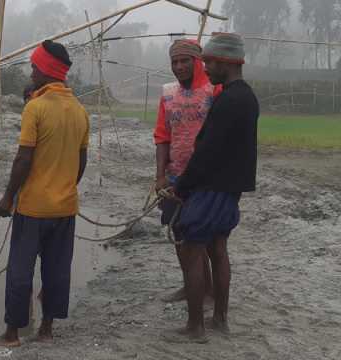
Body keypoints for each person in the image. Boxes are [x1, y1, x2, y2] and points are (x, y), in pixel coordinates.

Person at [0, 40, 89, 347]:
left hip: (33, 209)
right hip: (65, 208)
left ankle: (11, 334)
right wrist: (65, 187)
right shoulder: (79, 110)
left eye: (35, 67)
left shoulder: (35, 107)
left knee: (20, 271)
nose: (32, 72)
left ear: (47, 70)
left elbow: (23, 158)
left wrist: (8, 198)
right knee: (57, 270)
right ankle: (46, 329)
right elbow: (81, 160)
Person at [165, 33, 258, 343]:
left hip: (210, 188)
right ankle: (219, 319)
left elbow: (206, 151)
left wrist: (183, 185)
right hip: (230, 189)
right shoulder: (246, 97)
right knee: (218, 250)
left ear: (224, 62)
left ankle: (195, 327)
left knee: (192, 251)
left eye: (208, 61)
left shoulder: (227, 100)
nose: (206, 67)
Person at [153, 39, 221, 303]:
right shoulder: (168, 94)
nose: (179, 67)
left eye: (185, 61)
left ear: (198, 62)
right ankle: (191, 286)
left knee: (206, 239)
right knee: (180, 234)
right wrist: (160, 176)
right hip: (174, 179)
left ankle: (210, 290)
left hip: (206, 179)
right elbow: (162, 136)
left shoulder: (214, 91)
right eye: (174, 62)